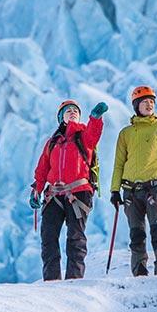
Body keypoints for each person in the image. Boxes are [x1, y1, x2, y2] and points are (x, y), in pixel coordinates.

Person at [31, 99, 106, 280]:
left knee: (76, 237)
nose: (72, 112)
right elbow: (42, 169)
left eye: (75, 110)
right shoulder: (52, 143)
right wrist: (36, 190)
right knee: (48, 238)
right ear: (60, 117)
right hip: (53, 195)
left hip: (79, 193)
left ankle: (74, 279)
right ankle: (51, 279)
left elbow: (94, 134)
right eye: (68, 111)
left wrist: (95, 119)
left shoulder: (84, 136)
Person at [110, 85, 157, 276]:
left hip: (154, 189)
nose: (149, 104)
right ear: (136, 106)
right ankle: (139, 271)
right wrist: (114, 190)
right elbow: (119, 164)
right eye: (144, 101)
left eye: (152, 101)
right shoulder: (126, 133)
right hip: (130, 190)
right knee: (136, 233)